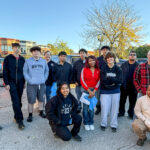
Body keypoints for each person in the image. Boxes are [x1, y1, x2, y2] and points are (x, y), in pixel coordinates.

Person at [3, 43, 25, 130]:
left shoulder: (22, 59)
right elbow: (5, 71)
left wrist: (24, 82)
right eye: (15, 47)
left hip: (20, 82)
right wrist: (6, 83)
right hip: (11, 83)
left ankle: (16, 116)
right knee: (15, 100)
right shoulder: (8, 58)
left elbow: (24, 71)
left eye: (18, 48)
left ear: (20, 49)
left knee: (19, 101)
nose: (17, 49)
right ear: (12, 49)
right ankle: (20, 120)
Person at [23, 46, 49, 122]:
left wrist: (44, 79)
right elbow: (25, 72)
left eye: (37, 51)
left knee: (41, 99)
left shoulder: (43, 61)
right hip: (31, 85)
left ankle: (41, 112)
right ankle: (30, 114)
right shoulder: (28, 61)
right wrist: (29, 80)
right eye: (34, 51)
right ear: (32, 53)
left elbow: (46, 71)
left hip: (42, 84)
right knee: (31, 100)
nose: (36, 52)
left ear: (40, 52)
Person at [100, 52, 122, 132]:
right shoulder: (103, 68)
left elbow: (120, 80)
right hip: (105, 91)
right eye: (108, 58)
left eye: (111, 57)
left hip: (115, 91)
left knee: (115, 109)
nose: (110, 59)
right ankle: (103, 124)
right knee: (104, 108)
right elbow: (103, 81)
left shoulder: (118, 69)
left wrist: (110, 78)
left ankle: (114, 124)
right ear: (106, 59)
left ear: (114, 58)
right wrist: (114, 80)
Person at [81, 55, 100, 131]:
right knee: (85, 109)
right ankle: (86, 123)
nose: (92, 62)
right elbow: (82, 80)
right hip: (86, 90)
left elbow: (99, 81)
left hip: (94, 91)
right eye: (90, 61)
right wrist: (89, 91)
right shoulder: (84, 69)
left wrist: (94, 91)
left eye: (93, 60)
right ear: (87, 62)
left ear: (95, 61)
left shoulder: (98, 70)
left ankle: (91, 122)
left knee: (91, 108)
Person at [119, 51, 139, 119]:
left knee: (132, 102)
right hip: (124, 86)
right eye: (131, 54)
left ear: (136, 56)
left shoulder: (138, 65)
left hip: (134, 87)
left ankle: (131, 113)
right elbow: (120, 75)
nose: (132, 56)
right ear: (128, 56)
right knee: (122, 101)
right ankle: (121, 112)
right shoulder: (123, 64)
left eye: (134, 55)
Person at [95, 46, 111, 115]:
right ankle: (98, 108)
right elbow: (95, 69)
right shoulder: (98, 59)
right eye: (103, 50)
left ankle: (106, 109)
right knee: (98, 96)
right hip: (99, 81)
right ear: (101, 51)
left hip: (107, 81)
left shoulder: (111, 58)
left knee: (106, 96)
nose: (105, 51)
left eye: (106, 50)